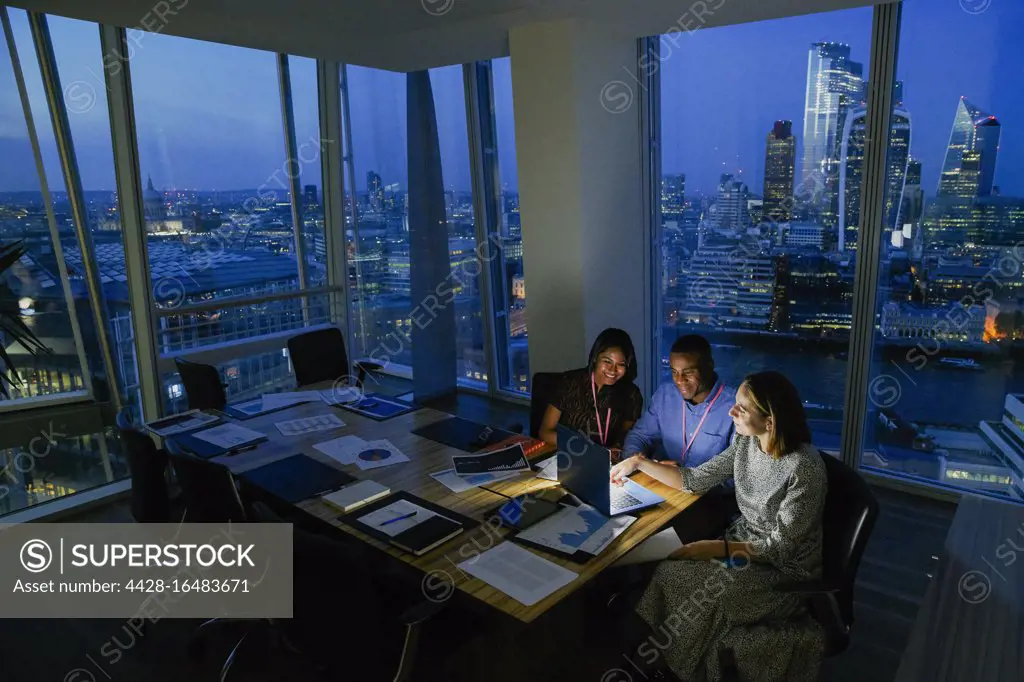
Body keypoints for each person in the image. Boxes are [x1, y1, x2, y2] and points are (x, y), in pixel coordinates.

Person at [609, 371, 828, 681]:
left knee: (707, 597)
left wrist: (716, 547)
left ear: (771, 421)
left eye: (742, 407)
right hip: (741, 544)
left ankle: (681, 671)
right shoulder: (746, 442)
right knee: (671, 572)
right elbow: (695, 480)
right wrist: (639, 463)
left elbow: (781, 547)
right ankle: (669, 659)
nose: (731, 412)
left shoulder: (804, 469)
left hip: (783, 567)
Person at [621, 334, 738, 541]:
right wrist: (646, 464)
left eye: (688, 373)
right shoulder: (665, 395)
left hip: (708, 503)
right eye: (674, 372)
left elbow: (735, 478)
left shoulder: (735, 408)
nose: (679, 381)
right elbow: (639, 436)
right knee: (621, 529)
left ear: (709, 366)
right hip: (661, 489)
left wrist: (679, 476)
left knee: (654, 540)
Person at [538, 328, 643, 453]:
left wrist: (617, 449)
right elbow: (545, 432)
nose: (613, 370)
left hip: (605, 460)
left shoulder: (631, 394)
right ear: (595, 358)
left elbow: (626, 437)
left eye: (621, 364)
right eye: (607, 361)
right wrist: (585, 448)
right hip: (565, 456)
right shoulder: (569, 382)